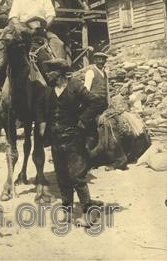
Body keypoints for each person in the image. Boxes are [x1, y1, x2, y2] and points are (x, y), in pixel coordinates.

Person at [44, 58, 104, 226]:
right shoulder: (49, 90)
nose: (47, 74)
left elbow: (96, 102)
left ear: (59, 73)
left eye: (51, 71)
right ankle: (67, 213)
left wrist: (82, 120)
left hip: (73, 138)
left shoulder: (75, 86)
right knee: (62, 177)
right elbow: (42, 110)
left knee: (77, 176)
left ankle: (88, 214)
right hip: (56, 139)